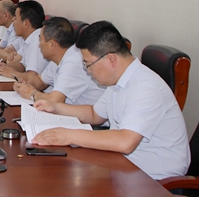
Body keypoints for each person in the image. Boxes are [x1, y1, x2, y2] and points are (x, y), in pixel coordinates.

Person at [32, 21, 190, 180]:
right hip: (124, 164)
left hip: (153, 179)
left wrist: (69, 135)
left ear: (111, 59)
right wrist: (56, 107)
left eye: (88, 65)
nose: (88, 72)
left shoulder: (146, 88)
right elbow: (94, 114)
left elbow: (126, 142)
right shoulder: (118, 81)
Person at [13, 17, 104, 105]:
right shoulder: (59, 58)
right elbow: (40, 81)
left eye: (40, 40)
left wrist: (32, 94)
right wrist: (24, 85)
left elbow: (55, 101)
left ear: (52, 44)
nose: (39, 45)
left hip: (84, 115)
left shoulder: (72, 62)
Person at [0, 0, 49, 77]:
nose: (13, 20)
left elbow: (32, 77)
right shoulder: (27, 39)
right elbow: (14, 63)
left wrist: (13, 74)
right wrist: (4, 67)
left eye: (15, 17)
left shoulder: (37, 41)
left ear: (26, 23)